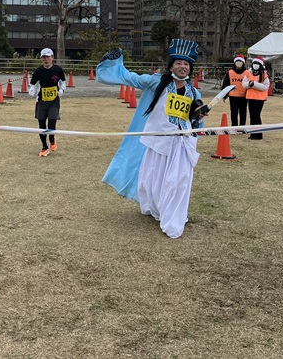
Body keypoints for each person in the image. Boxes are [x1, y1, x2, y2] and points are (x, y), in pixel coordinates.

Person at [96, 38, 207, 239]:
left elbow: (194, 122)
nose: (182, 67)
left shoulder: (194, 92)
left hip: (180, 144)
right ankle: (157, 207)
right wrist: (113, 64)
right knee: (153, 179)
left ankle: (173, 218)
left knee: (179, 181)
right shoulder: (157, 82)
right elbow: (131, 78)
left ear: (190, 68)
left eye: (186, 64)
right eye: (178, 63)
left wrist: (198, 116)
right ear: (171, 65)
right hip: (158, 142)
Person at [28, 48, 65, 156]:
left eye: (48, 57)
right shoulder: (38, 71)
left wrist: (62, 90)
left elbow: (62, 82)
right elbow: (33, 84)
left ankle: (52, 138)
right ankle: (44, 147)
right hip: (41, 101)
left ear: (52, 58)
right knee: (41, 124)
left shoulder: (58, 70)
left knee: (52, 121)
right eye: (44, 57)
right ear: (41, 59)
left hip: (54, 100)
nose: (46, 59)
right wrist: (32, 90)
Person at [242, 56, 270, 140]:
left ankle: (258, 134)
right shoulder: (248, 73)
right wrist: (249, 84)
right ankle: (252, 133)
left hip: (260, 98)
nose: (255, 65)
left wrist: (254, 84)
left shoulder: (264, 75)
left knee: (256, 116)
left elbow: (265, 87)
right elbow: (244, 84)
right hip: (250, 97)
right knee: (251, 116)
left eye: (257, 63)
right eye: (254, 63)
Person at [222, 54, 248, 126]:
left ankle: (242, 127)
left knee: (243, 113)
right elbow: (226, 84)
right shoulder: (230, 72)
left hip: (244, 96)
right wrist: (224, 95)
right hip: (233, 96)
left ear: (243, 63)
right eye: (237, 61)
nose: (239, 63)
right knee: (234, 112)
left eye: (240, 61)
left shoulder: (247, 72)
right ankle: (234, 127)